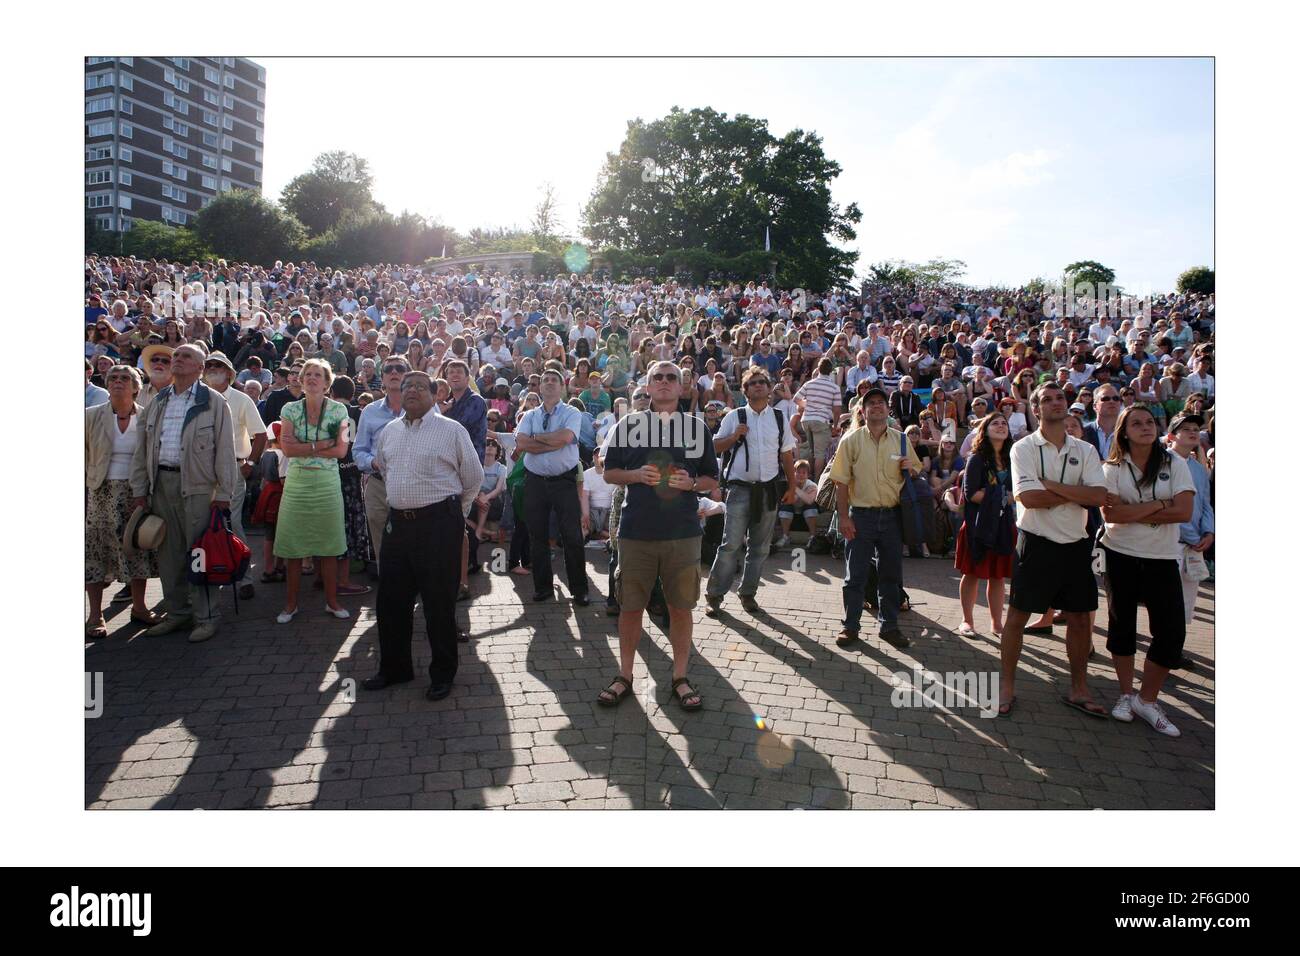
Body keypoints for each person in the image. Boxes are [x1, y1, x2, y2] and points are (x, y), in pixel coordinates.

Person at [598, 360, 719, 709]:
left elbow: (712, 478)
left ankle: (680, 677)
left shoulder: (697, 428)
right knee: (630, 607)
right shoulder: (628, 424)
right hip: (636, 530)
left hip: (682, 533)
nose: (665, 383)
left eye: (672, 378)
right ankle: (625, 675)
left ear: (682, 388)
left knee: (680, 607)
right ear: (648, 386)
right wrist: (636, 476)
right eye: (658, 378)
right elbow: (610, 474)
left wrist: (693, 484)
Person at [361, 370, 483, 700]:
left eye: (419, 386)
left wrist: (456, 514)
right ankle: (395, 668)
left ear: (433, 394)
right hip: (398, 523)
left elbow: (473, 477)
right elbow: (386, 470)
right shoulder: (389, 432)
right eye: (406, 386)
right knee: (391, 601)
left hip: (439, 524)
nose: (411, 390)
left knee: (438, 602)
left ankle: (443, 673)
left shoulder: (451, 430)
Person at [998, 383, 1108, 718]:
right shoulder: (1023, 448)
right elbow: (1029, 499)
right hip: (1036, 542)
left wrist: (1051, 487)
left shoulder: (1085, 449)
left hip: (1076, 544)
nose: (1056, 402)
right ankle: (1006, 686)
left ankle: (1079, 689)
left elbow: (1098, 496)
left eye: (1060, 397)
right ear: (1035, 408)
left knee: (1078, 619)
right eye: (1047, 399)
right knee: (1017, 616)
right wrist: (1077, 493)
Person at [129, 343, 237, 644]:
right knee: (169, 555)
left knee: (199, 554)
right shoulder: (157, 401)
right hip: (161, 484)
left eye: (185, 356)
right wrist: (140, 488)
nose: (176, 359)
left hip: (199, 488)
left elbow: (226, 451)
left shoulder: (214, 402)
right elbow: (143, 448)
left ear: (200, 368)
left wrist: (224, 492)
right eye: (175, 355)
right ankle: (178, 613)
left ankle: (206, 616)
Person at [1100, 404, 1195, 737]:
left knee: (1170, 634)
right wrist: (1159, 505)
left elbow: (1184, 511)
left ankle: (1147, 699)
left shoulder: (1176, 463)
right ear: (1124, 431)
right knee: (1121, 626)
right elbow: (1113, 515)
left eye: (1150, 422)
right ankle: (1126, 694)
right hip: (1120, 554)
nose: (1145, 427)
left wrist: (1136, 510)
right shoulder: (1112, 468)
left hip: (1162, 557)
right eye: (1136, 423)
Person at [829, 385, 920, 649]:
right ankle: (850, 626)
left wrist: (909, 469)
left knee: (891, 576)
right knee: (855, 576)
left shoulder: (901, 439)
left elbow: (915, 471)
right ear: (863, 410)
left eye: (881, 402)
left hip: (892, 516)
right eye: (871, 403)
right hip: (861, 517)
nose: (877, 406)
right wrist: (844, 518)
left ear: (888, 409)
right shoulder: (851, 440)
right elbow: (841, 483)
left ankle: (889, 626)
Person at [705, 365, 798, 615]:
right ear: (745, 390)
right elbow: (714, 448)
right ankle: (714, 595)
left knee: (760, 547)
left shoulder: (779, 418)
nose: (758, 385)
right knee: (730, 545)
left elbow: (787, 455)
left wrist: (791, 485)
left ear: (769, 389)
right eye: (752, 383)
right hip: (740, 489)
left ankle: (748, 594)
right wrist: (735, 436)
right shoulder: (734, 416)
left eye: (762, 382)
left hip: (769, 489)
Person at [273, 359, 351, 624]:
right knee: (293, 547)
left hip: (328, 484)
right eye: (308, 374)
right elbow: (287, 449)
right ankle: (291, 605)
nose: (312, 378)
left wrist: (304, 445)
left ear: (327, 383)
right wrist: (321, 445)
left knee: (329, 547)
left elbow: (341, 451)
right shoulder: (289, 408)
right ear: (301, 379)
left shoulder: (339, 409)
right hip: (297, 483)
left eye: (318, 374)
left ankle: (332, 602)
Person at [85, 365, 160, 638]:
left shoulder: (146, 418)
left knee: (136, 548)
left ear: (136, 387)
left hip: (135, 493)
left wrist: (147, 493)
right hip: (100, 492)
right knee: (95, 553)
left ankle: (139, 607)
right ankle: (95, 614)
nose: (118, 381)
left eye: (125, 378)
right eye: (113, 378)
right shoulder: (90, 416)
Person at [514, 368, 591, 604]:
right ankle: (543, 587)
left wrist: (535, 439)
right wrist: (549, 441)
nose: (548, 383)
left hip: (564, 482)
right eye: (544, 380)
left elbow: (566, 439)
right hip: (535, 482)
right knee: (537, 536)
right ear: (539, 386)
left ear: (562, 386)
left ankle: (579, 589)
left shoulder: (572, 412)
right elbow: (521, 443)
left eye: (554, 380)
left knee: (572, 536)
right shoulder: (529, 415)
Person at [201, 351, 267, 597]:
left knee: (233, 522)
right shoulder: (196, 398)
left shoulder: (241, 399)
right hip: (201, 470)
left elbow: (260, 435)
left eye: (219, 365)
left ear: (229, 372)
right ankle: (206, 574)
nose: (213, 369)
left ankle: (244, 578)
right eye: (209, 366)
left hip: (233, 469)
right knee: (200, 524)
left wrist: (250, 462)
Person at [954, 413, 1017, 636]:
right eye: (995, 423)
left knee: (997, 576)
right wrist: (1003, 495)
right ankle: (967, 620)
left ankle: (997, 623)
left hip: (1002, 524)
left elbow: (1017, 491)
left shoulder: (1013, 458)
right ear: (985, 429)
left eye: (1004, 423)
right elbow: (971, 493)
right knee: (971, 573)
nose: (1001, 426)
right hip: (977, 525)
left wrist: (997, 494)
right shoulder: (977, 458)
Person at [352, 357, 409, 568]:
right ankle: (390, 594)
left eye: (400, 368)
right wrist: (373, 462)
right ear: (382, 377)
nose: (394, 372)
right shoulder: (370, 411)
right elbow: (358, 451)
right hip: (378, 485)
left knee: (412, 542)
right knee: (382, 546)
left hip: (413, 485)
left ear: (407, 375)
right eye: (388, 369)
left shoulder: (425, 409)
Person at [1168, 412, 1214, 657]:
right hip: (1171, 542)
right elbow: (1169, 504)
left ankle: (1177, 649)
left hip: (1194, 544)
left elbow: (1206, 503)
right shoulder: (1163, 462)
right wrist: (1192, 536)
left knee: (1187, 602)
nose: (1193, 432)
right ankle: (1163, 649)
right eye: (1186, 429)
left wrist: (1209, 531)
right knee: (1167, 599)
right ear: (1173, 435)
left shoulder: (1198, 468)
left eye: (1196, 428)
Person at [794, 357, 842, 478]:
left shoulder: (809, 383)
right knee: (820, 454)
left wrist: (808, 405)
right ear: (831, 371)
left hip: (806, 420)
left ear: (818, 369)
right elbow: (837, 410)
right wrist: (835, 426)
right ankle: (816, 482)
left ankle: (807, 479)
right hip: (821, 421)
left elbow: (796, 399)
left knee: (812, 451)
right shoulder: (834, 387)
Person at [776, 459, 821, 548]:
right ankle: (785, 537)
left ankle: (812, 538)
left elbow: (809, 501)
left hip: (806, 518)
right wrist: (802, 493)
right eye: (798, 472)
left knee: (811, 507)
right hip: (790, 517)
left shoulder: (812, 485)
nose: (800, 475)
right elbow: (789, 501)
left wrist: (795, 489)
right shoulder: (787, 484)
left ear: (808, 475)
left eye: (804, 473)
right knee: (785, 506)